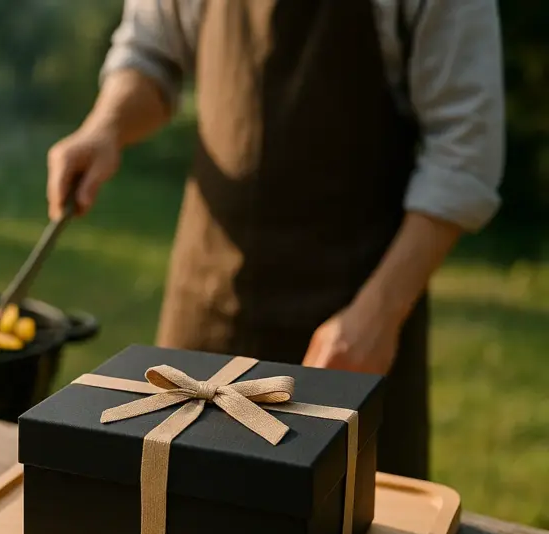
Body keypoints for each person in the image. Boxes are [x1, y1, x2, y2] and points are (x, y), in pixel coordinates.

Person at [46, 0, 505, 480]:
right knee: (183, 522)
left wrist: (381, 313)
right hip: (205, 306)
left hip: (357, 321)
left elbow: (464, 149)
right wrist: (105, 129)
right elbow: (151, 55)